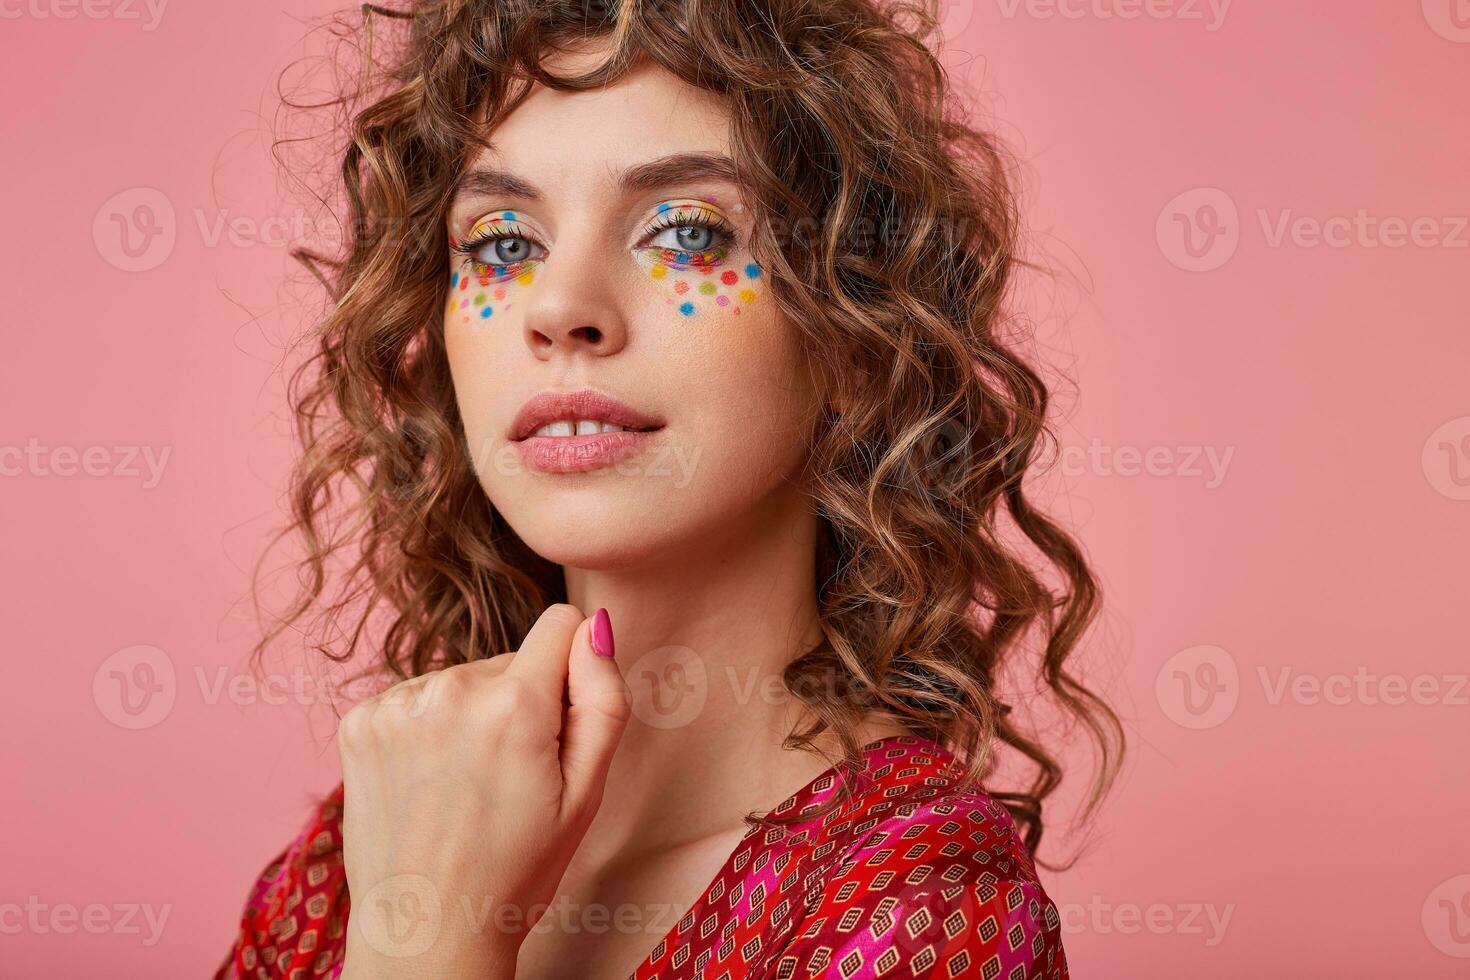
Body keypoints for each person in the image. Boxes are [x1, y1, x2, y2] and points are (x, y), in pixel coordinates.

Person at [214, 0, 1122, 976]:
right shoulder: (372, 845)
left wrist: (428, 937)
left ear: (856, 339)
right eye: (504, 243)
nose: (560, 308)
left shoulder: (923, 910)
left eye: (684, 230)